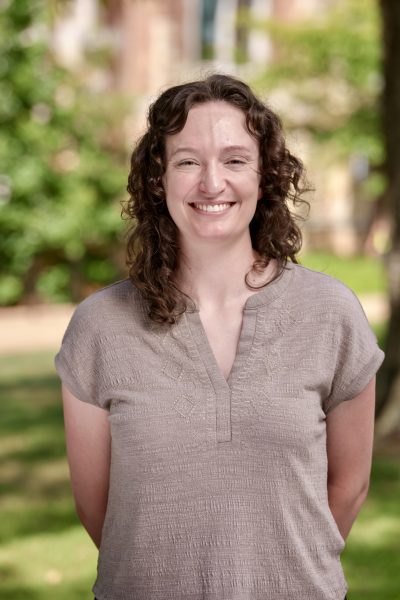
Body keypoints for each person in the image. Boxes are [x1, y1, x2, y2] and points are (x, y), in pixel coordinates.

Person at [55, 73, 385, 600]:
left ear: (264, 177)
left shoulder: (330, 314)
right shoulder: (100, 327)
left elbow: (349, 488)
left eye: (234, 160)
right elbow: (98, 508)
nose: (212, 183)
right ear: (158, 179)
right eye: (188, 161)